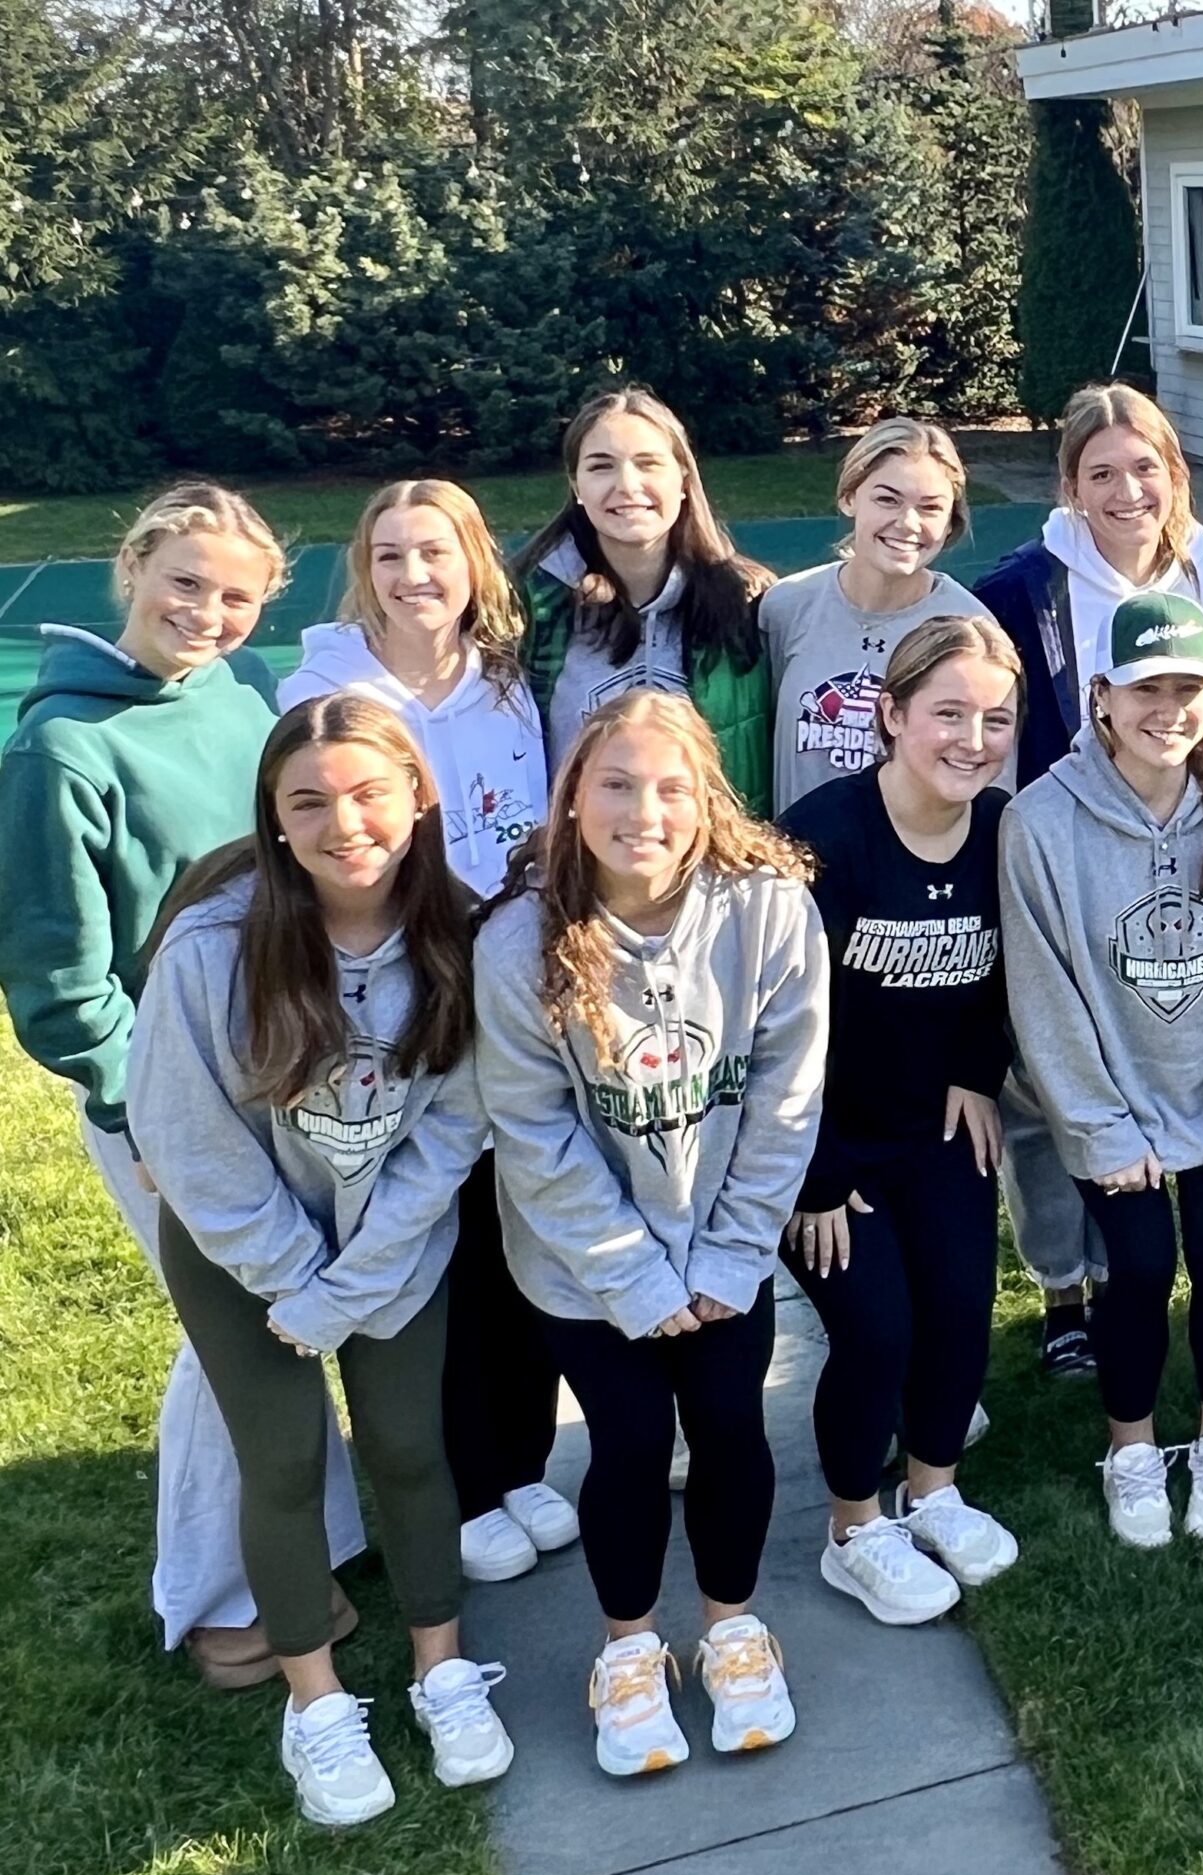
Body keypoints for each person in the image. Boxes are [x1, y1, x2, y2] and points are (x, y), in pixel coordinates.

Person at [0, 482, 367, 1685]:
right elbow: (60, 980)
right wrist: (134, 1112)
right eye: (186, 584)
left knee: (289, 1309)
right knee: (235, 1343)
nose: (206, 614)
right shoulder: (61, 749)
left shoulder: (236, 698)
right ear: (135, 569)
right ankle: (221, 1603)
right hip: (170, 1104)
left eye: (236, 597)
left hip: (280, 1067)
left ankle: (318, 1546)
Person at [129, 695, 511, 1825]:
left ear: (418, 799)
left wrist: (356, 1275)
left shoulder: (465, 936)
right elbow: (186, 1142)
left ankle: (442, 1670)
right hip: (242, 1251)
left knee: (407, 1444)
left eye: (368, 793)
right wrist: (296, 1279)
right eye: (310, 803)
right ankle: (317, 1703)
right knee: (283, 1461)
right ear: (276, 820)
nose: (345, 823)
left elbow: (453, 1127)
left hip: (388, 1241)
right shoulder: (211, 946)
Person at [476, 691, 827, 1775]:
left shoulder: (768, 909)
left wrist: (727, 1255)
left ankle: (730, 1627)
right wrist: (633, 1276)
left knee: (728, 1424)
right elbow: (532, 1133)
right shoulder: (518, 941)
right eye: (617, 784)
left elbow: (784, 1096)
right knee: (626, 1441)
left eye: (672, 787)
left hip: (722, 1237)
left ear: (706, 796)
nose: (645, 810)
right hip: (583, 1262)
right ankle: (626, 1653)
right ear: (574, 795)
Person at [283, 480, 576, 1587]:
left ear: (472, 567)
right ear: (366, 566)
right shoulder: (325, 691)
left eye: (437, 553)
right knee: (434, 1225)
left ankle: (523, 1460)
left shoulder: (502, 682)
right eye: (392, 554)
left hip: (505, 977)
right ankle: (458, 1480)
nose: (416, 576)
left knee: (516, 1228)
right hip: (397, 991)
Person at [974, 384, 1203, 1375]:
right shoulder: (1024, 592)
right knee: (1047, 1088)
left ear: (1176, 476)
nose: (1125, 491)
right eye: (1100, 473)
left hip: (1200, 840)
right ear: (1070, 486)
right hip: (1072, 846)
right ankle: (1065, 1288)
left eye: (1144, 468)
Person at [999, 593, 1203, 1547]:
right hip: (1111, 1101)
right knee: (1135, 1267)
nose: (1166, 710)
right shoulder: (1041, 821)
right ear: (1101, 697)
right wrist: (1101, 1125)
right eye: (1144, 689)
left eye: (1188, 689)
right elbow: (1044, 994)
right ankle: (1131, 1449)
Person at [778, 616, 1021, 1624]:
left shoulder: (1005, 828)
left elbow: (1017, 966)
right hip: (826, 1146)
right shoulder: (824, 839)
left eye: (995, 718)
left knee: (962, 1312)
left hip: (936, 1126)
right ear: (889, 714)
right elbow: (771, 1023)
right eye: (948, 714)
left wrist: (977, 1066)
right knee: (879, 1333)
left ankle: (932, 1489)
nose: (973, 738)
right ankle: (853, 1526)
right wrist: (816, 1171)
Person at [515, 388, 777, 814]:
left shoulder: (749, 602)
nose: (627, 485)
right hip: (574, 866)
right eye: (601, 467)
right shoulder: (529, 605)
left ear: (684, 482)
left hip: (710, 863)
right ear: (576, 487)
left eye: (648, 464)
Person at [762, 418, 994, 815]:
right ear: (850, 498)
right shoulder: (786, 606)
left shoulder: (970, 630)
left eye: (930, 507)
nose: (908, 523)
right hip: (790, 863)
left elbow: (987, 781)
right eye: (887, 500)